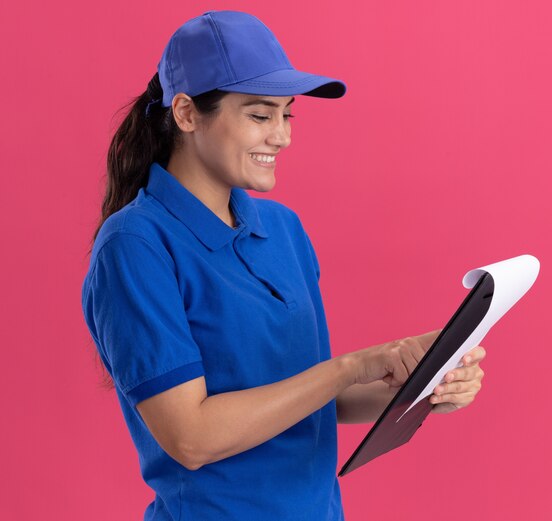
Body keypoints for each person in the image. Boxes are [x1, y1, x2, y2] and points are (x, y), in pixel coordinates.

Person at [81, 10, 486, 521]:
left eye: (287, 114)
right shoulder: (136, 245)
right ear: (186, 113)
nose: (282, 136)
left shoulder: (283, 230)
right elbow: (190, 437)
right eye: (259, 115)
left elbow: (318, 405)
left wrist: (423, 386)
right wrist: (348, 367)